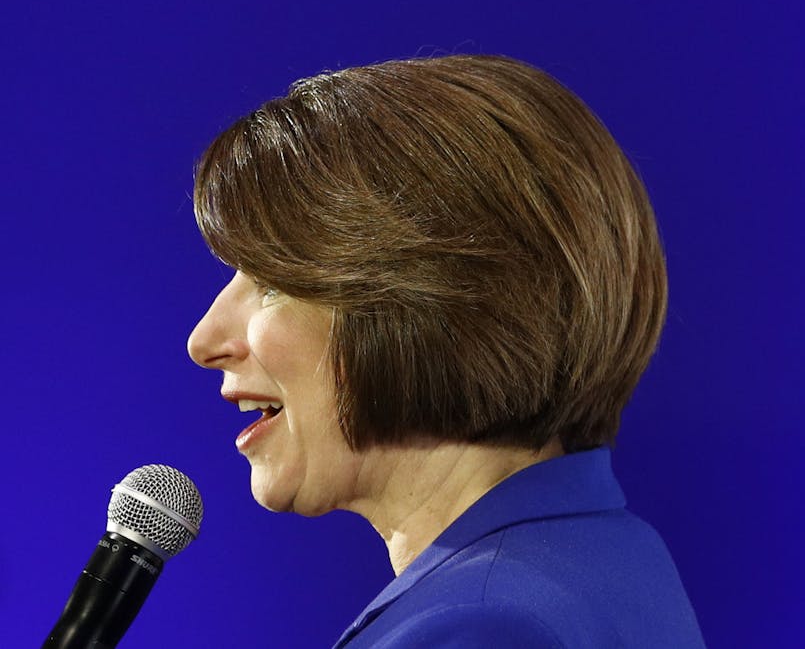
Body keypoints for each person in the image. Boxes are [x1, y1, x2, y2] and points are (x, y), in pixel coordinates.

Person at [186, 54, 704, 648]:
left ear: (427, 298)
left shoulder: (479, 628)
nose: (203, 341)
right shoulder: (603, 549)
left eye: (271, 282)